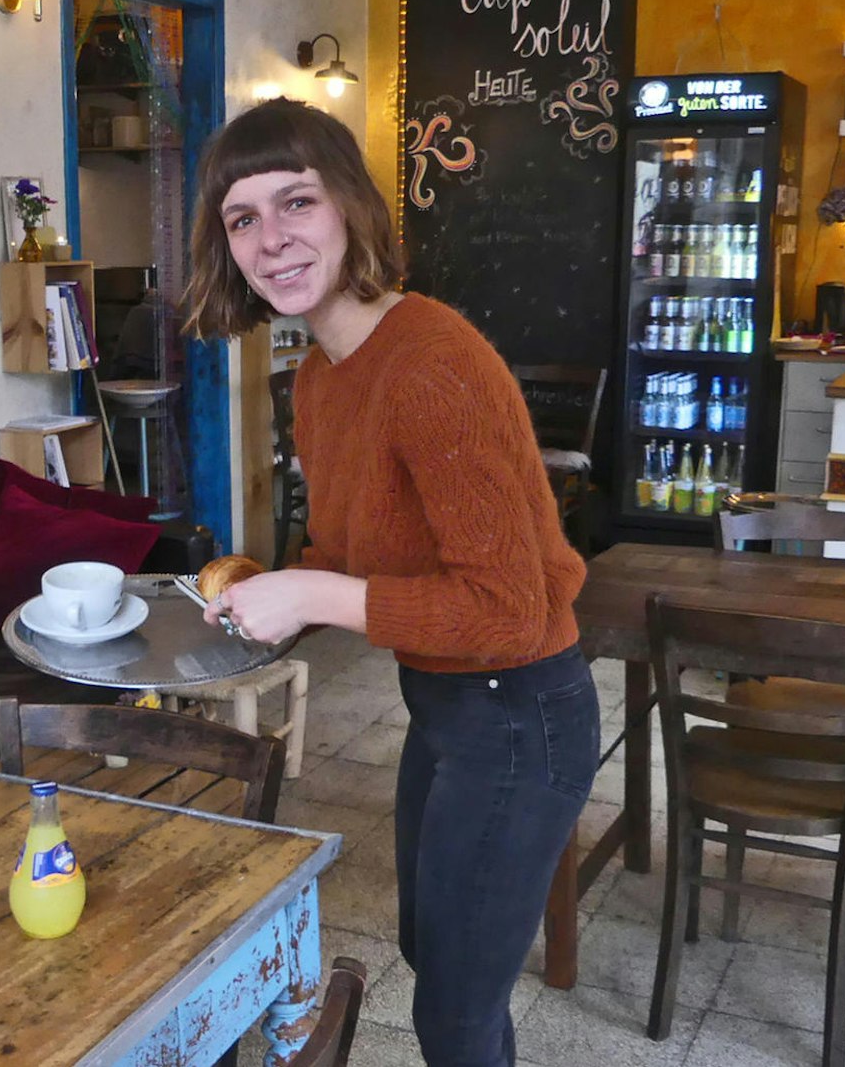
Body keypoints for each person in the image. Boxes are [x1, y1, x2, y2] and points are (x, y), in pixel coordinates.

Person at [182, 98, 599, 1067]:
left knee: (452, 1011)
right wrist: (271, 586)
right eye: (241, 218)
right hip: (448, 703)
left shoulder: (431, 364)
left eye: (295, 203)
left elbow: (510, 611)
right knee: (434, 955)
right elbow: (347, 550)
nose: (270, 239)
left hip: (520, 711)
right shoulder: (321, 377)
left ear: (349, 210)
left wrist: (313, 600)